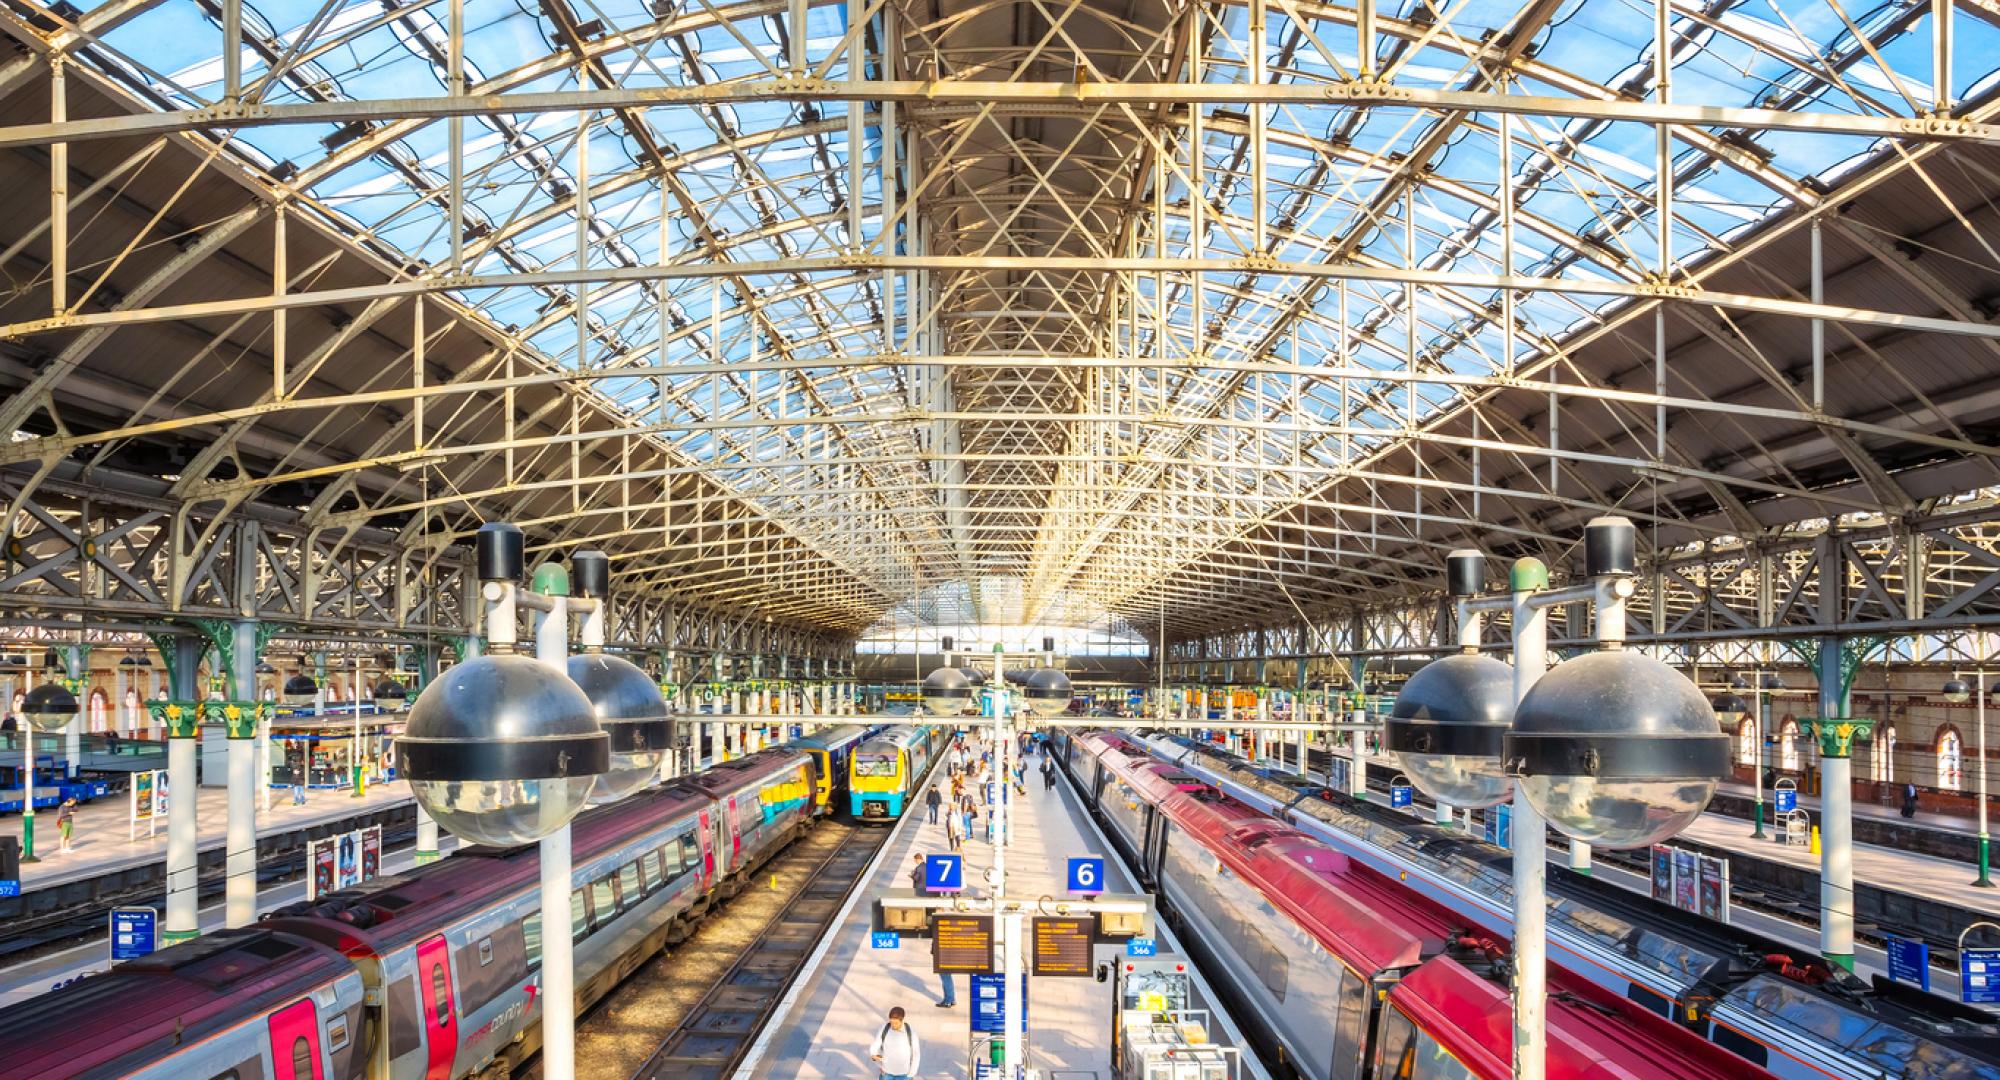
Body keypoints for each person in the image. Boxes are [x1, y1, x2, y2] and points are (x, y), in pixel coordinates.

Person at [869, 1006, 920, 1079]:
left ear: (902, 1020)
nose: (893, 1025)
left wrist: (911, 1074)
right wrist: (874, 1056)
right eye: (891, 1022)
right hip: (887, 1073)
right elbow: (875, 1045)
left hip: (904, 1074)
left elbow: (916, 1053)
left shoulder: (911, 1032)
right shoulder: (884, 1028)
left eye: (896, 1023)